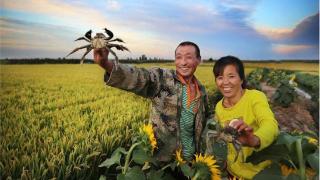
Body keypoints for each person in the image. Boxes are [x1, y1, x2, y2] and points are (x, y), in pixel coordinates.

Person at [93, 41, 211, 163]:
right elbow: (140, 77)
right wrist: (106, 64)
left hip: (191, 163)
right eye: (179, 57)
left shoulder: (201, 90)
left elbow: (206, 116)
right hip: (162, 162)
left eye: (189, 57)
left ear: (198, 60)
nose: (183, 62)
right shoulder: (162, 78)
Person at [212, 56, 279, 179]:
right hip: (233, 173)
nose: (225, 82)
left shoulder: (255, 97)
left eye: (231, 76)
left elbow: (270, 124)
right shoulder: (218, 107)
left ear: (241, 79)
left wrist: (254, 140)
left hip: (259, 174)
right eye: (220, 77)